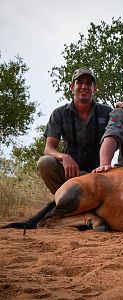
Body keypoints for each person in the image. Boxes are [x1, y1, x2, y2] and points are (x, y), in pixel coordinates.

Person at [3, 67, 112, 229]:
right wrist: (64, 157)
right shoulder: (59, 114)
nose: (84, 87)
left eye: (89, 83)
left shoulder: (107, 112)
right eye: (79, 82)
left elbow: (118, 133)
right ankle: (68, 206)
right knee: (45, 163)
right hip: (71, 174)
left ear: (94, 89)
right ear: (71, 87)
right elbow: (49, 148)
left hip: (97, 175)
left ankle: (74, 209)